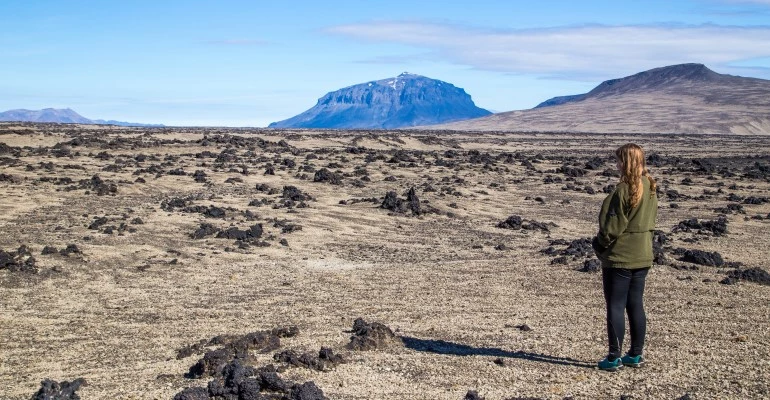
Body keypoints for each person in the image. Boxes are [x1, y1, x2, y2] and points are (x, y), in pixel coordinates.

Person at [592, 143, 658, 371]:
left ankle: (613, 357)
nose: (617, 164)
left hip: (620, 257)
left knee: (615, 305)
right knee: (635, 304)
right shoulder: (650, 185)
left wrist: (598, 245)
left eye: (619, 160)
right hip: (643, 254)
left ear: (626, 162)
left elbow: (611, 228)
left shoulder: (622, 190)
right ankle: (636, 354)